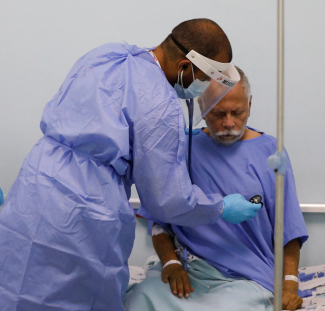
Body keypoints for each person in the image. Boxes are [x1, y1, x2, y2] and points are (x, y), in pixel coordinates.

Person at [0, 20, 261, 311]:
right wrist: (220, 207)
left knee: (17, 284)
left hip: (37, 181)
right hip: (84, 211)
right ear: (186, 67)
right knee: (74, 298)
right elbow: (167, 200)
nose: (202, 89)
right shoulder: (161, 106)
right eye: (205, 78)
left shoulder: (108, 55)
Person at [123, 67, 309, 311]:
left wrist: (289, 286)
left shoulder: (271, 152)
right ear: (202, 107)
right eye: (218, 113)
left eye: (237, 112)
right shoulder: (184, 148)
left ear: (250, 105)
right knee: (138, 300)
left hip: (245, 277)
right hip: (191, 270)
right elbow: (159, 222)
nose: (229, 123)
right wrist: (171, 263)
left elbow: (289, 229)